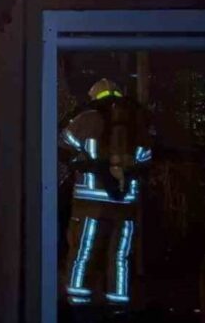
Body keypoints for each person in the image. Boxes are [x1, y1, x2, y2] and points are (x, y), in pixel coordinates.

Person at [60, 78, 153, 312]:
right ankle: (118, 305)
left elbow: (62, 141)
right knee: (120, 257)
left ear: (94, 96)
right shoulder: (136, 122)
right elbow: (145, 160)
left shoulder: (87, 119)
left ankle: (78, 302)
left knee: (83, 253)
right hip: (125, 205)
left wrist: (83, 161)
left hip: (90, 204)